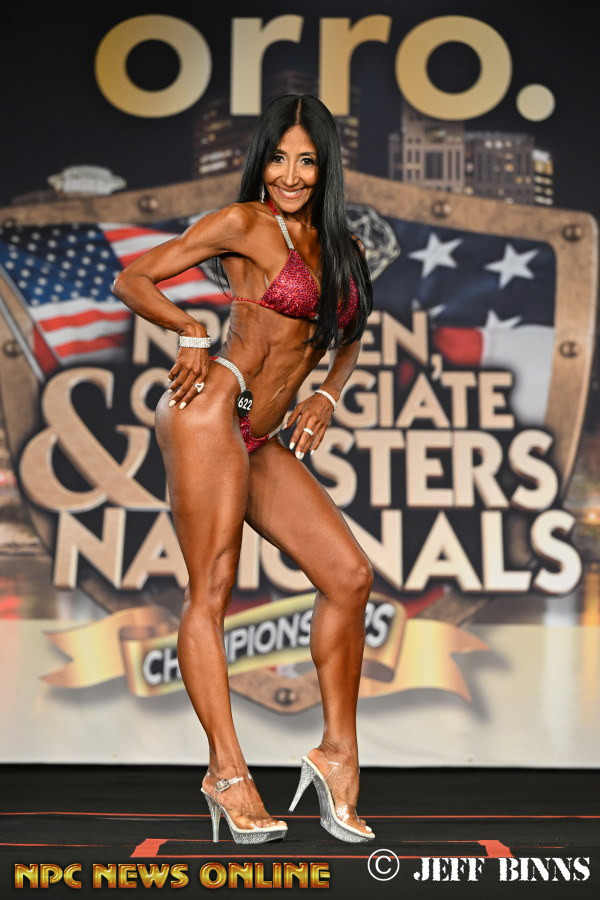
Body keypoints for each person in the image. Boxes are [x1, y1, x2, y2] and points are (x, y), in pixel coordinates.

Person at [112, 94, 375, 844]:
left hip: (259, 436)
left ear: (325, 168)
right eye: (279, 158)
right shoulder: (244, 223)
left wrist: (326, 393)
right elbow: (134, 279)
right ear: (261, 161)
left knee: (349, 577)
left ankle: (337, 756)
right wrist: (190, 330)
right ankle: (226, 772)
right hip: (210, 413)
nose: (290, 175)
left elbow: (352, 329)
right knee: (213, 591)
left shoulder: (343, 245)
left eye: (306, 161)